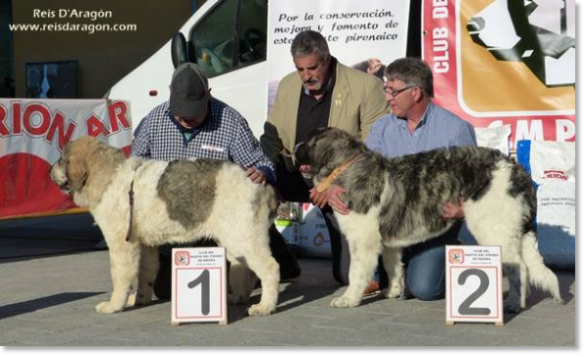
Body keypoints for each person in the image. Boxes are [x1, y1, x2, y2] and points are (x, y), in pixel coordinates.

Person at [132, 62, 300, 300]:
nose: (187, 119)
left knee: (225, 285)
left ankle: (276, 256)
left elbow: (260, 161)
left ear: (208, 96)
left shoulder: (230, 120)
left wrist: (262, 171)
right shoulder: (153, 121)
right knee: (168, 291)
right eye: (181, 112)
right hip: (173, 219)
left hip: (219, 216)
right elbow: (135, 166)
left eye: (194, 112)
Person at [321, 57, 477, 300]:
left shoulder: (455, 130)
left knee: (424, 289)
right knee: (348, 269)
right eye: (386, 90)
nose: (387, 97)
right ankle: (386, 270)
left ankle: (457, 254)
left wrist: (461, 208)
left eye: (392, 91)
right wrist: (332, 187)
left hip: (435, 225)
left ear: (415, 92)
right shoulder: (382, 128)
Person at [260, 30, 389, 285]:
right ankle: (280, 263)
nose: (306, 76)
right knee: (253, 190)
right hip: (296, 173)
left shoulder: (366, 87)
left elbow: (375, 149)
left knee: (348, 277)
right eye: (300, 69)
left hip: (342, 182)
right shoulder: (287, 85)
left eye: (312, 68)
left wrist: (330, 182)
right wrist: (264, 171)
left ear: (327, 59)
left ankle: (385, 265)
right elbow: (271, 135)